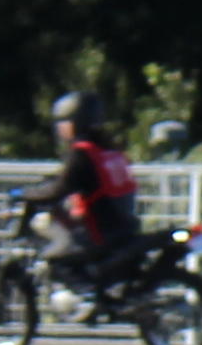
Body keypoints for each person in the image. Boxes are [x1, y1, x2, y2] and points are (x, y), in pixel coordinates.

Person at [32, 94, 139, 292]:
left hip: (99, 232)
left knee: (55, 258)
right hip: (124, 225)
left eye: (63, 121)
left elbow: (58, 190)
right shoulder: (109, 150)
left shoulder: (82, 153)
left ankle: (84, 294)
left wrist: (26, 194)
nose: (59, 127)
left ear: (75, 123)